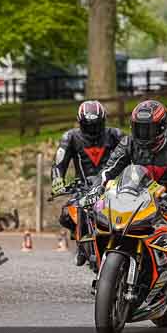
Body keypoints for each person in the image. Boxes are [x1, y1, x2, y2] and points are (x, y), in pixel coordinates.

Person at [97, 100, 167, 282]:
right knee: (105, 221)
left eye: (148, 129)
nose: (143, 134)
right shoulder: (128, 143)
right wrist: (95, 189)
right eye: (139, 128)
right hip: (137, 195)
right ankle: (105, 268)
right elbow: (108, 171)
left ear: (161, 127)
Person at [51, 100, 123, 266]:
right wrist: (57, 181)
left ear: (103, 121)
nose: (93, 130)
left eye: (96, 125)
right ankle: (80, 241)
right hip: (83, 187)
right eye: (88, 125)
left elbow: (132, 155)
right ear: (80, 122)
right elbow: (58, 163)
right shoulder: (70, 137)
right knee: (66, 215)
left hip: (112, 187)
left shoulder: (116, 135)